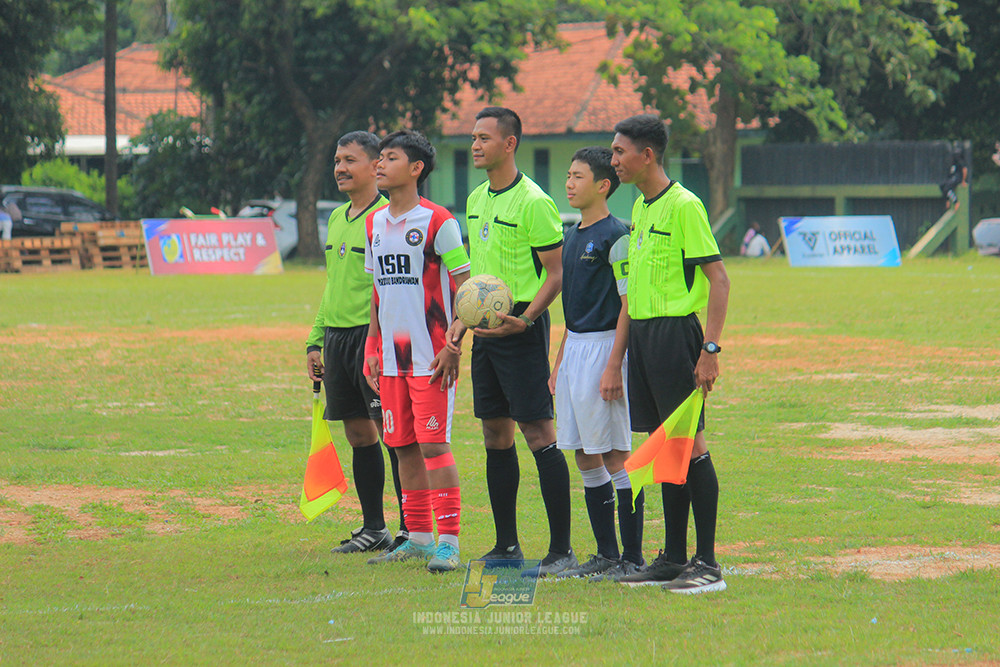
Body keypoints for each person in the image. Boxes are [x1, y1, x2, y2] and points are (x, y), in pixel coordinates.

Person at [445, 106, 576, 576]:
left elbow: (557, 274)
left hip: (520, 325)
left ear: (510, 143)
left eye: (484, 137)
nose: (475, 145)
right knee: (494, 434)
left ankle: (561, 550)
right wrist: (460, 321)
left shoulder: (534, 202)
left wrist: (528, 319)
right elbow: (478, 277)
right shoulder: (477, 197)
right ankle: (506, 546)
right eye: (472, 138)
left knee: (539, 432)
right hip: (484, 328)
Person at [609, 114, 731, 593]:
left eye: (620, 152)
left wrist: (710, 349)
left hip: (677, 337)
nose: (613, 160)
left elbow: (719, 280)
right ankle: (675, 557)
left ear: (647, 155)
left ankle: (707, 563)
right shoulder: (641, 207)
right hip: (644, 337)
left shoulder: (684, 205)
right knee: (667, 447)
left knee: (691, 444)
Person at [362, 130, 470, 572]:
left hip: (431, 358)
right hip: (390, 359)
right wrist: (372, 345)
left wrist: (454, 347)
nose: (379, 165)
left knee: (433, 446)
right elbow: (377, 292)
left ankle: (449, 541)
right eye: (379, 158)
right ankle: (420, 536)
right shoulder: (374, 222)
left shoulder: (439, 221)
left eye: (389, 158)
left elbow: (468, 294)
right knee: (402, 445)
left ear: (416, 168)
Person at [306, 131, 406, 555]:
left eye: (350, 159)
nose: (340, 168)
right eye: (336, 160)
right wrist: (315, 339)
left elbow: (392, 287)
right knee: (358, 435)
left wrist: (379, 341)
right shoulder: (336, 218)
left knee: (394, 435)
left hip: (374, 340)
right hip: (337, 339)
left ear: (374, 166)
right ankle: (374, 528)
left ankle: (410, 529)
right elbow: (334, 285)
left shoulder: (388, 218)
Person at [548, 147, 644, 579]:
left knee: (616, 455)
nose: (569, 183)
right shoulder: (570, 234)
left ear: (603, 185)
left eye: (578, 176)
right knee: (585, 455)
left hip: (606, 348)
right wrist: (559, 362)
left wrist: (613, 365)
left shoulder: (617, 235)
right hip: (575, 351)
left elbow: (628, 306)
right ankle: (606, 554)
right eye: (568, 175)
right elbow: (572, 307)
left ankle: (633, 558)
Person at [940, 146, 968, 210]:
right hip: (953, 177)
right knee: (942, 185)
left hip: (958, 177)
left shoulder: (960, 161)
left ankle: (956, 202)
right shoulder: (953, 163)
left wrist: (963, 181)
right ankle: (947, 200)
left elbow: (965, 170)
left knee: (948, 188)